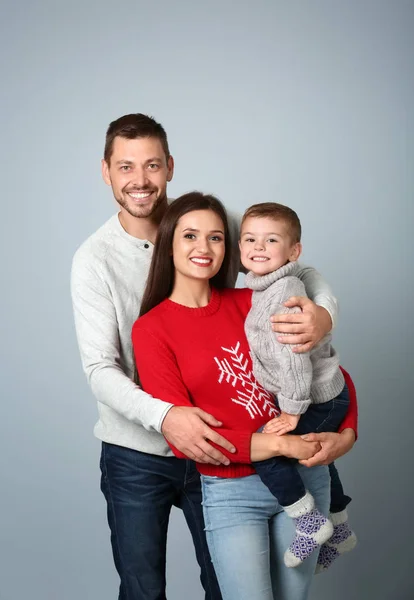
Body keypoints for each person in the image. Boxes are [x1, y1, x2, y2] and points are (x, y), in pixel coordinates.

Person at [71, 113, 356, 600]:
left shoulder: (239, 289)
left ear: (169, 167)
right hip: (141, 453)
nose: (140, 180)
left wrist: (324, 316)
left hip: (241, 462)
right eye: (125, 167)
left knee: (226, 587)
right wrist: (168, 417)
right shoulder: (99, 263)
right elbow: (101, 369)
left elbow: (297, 276)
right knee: (143, 587)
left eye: (152, 165)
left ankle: (333, 519)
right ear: (106, 171)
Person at [132, 192, 358, 600]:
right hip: (233, 492)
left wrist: (347, 436)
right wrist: (278, 443)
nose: (203, 248)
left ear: (228, 248)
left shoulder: (257, 301)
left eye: (216, 238)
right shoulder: (152, 329)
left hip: (306, 473)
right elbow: (188, 438)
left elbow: (328, 371)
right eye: (190, 236)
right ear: (168, 243)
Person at [239, 202, 357, 571]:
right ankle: (340, 527)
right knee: (317, 454)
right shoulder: (266, 284)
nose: (258, 247)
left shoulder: (285, 291)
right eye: (250, 239)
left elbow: (292, 357)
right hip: (329, 393)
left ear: (294, 251)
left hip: (318, 399)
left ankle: (309, 523)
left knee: (269, 450)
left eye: (270, 240)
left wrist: (291, 410)